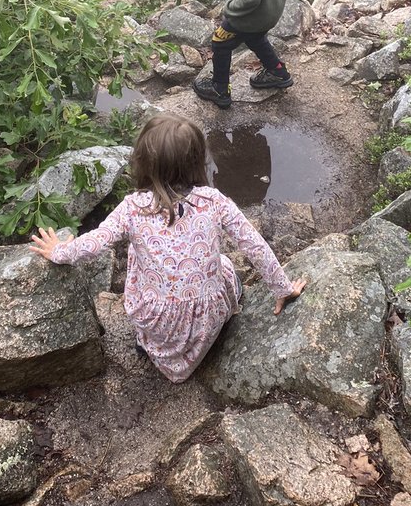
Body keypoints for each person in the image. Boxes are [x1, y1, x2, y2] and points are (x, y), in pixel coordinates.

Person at [29, 114, 307, 383]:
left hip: (156, 319)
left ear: (144, 163)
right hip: (204, 321)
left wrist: (59, 252)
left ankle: (150, 345)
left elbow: (97, 241)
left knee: (139, 260)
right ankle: (197, 340)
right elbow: (255, 246)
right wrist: (284, 289)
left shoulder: (133, 208)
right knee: (224, 266)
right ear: (198, 161)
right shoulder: (214, 201)